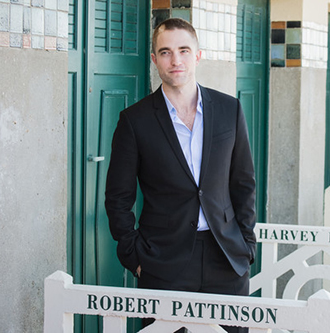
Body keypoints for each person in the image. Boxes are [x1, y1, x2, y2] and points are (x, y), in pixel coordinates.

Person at [105, 18, 256, 333]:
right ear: (154, 59)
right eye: (165, 52)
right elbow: (118, 197)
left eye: (184, 50)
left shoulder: (230, 110)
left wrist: (247, 243)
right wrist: (134, 256)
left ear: (198, 55)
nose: (176, 60)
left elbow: (243, 183)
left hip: (226, 257)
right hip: (163, 261)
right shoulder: (134, 120)